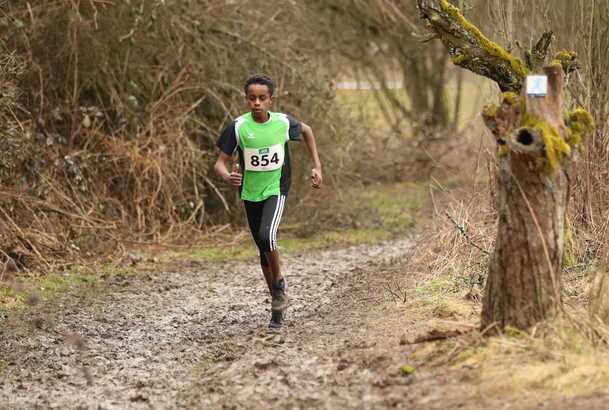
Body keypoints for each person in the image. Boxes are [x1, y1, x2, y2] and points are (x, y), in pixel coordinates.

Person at [214, 74, 323, 328]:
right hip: (250, 193)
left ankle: (279, 283)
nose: (257, 103)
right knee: (263, 249)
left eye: (262, 98)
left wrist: (317, 166)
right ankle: (277, 304)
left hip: (276, 188)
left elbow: (307, 131)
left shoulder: (282, 123)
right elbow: (219, 163)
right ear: (246, 99)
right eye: (252, 98)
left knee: (267, 235)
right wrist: (228, 175)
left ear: (270, 100)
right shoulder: (238, 127)